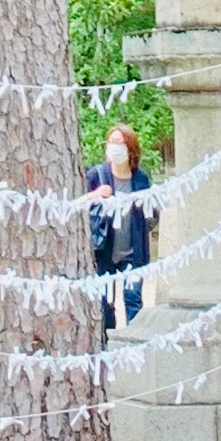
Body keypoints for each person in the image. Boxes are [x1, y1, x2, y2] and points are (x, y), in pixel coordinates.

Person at [85, 122, 152, 334]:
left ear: (130, 148)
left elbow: (151, 214)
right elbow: (77, 204)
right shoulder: (97, 175)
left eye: (120, 142)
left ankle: (133, 345)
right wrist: (94, 195)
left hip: (133, 253)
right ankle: (107, 346)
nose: (114, 147)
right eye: (111, 142)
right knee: (104, 303)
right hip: (103, 249)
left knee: (133, 300)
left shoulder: (140, 179)